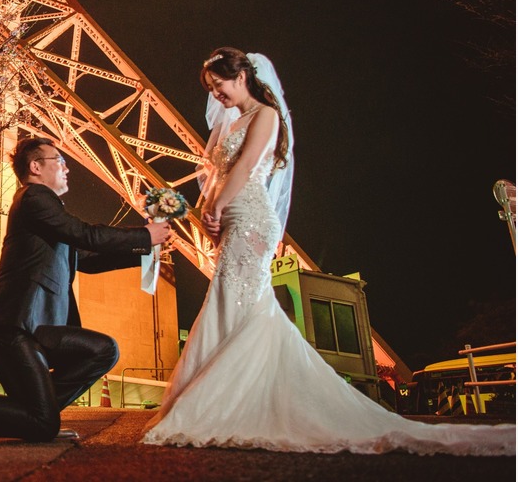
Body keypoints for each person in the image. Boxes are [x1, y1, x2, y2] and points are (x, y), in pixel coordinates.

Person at [141, 47, 514, 455]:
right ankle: (242, 399)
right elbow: (218, 175)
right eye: (211, 89)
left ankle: (229, 401)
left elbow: (247, 167)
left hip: (250, 217)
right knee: (237, 304)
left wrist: (215, 207)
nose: (217, 94)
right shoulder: (229, 125)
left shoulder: (265, 115)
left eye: (220, 85)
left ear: (243, 76)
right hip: (231, 216)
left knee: (236, 299)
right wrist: (209, 217)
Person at [0, 137, 172, 443]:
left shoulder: (45, 214)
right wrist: (142, 234)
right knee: (44, 421)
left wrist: (144, 249)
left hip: (34, 328)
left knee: (100, 351)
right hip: (11, 327)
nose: (67, 168)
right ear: (35, 167)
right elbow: (85, 234)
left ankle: (39, 415)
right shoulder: (34, 197)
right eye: (59, 161)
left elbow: (86, 258)